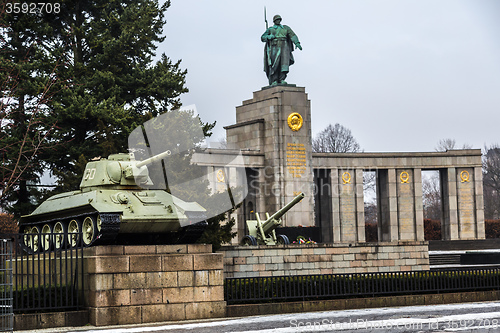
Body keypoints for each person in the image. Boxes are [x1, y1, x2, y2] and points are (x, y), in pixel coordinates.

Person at [261, 14, 302, 86]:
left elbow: (292, 35)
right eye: (277, 19)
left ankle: (282, 79)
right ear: (274, 21)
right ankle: (274, 80)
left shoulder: (285, 28)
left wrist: (297, 43)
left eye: (279, 19)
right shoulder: (270, 29)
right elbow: (262, 37)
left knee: (284, 63)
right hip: (274, 46)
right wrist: (268, 36)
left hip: (284, 46)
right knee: (275, 64)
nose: (278, 21)